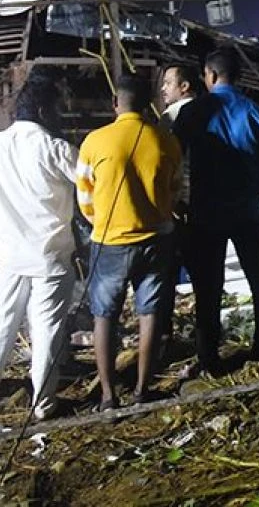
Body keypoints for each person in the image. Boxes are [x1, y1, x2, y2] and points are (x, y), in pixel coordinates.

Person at [0, 81, 78, 421]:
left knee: (4, 319)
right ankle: (43, 404)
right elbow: (92, 182)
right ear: (42, 111)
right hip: (50, 255)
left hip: (9, 254)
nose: (59, 115)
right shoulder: (55, 148)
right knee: (46, 327)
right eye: (56, 108)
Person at [174, 47, 259, 380]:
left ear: (208, 75)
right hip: (248, 210)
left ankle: (209, 356)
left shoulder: (193, 112)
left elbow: (170, 156)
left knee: (208, 287)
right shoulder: (255, 112)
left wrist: (173, 200)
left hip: (206, 211)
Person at [77, 74, 181, 409]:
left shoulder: (94, 142)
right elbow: (176, 190)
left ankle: (108, 396)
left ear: (115, 104)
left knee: (104, 316)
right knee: (149, 313)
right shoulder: (165, 140)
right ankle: (141, 390)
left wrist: (103, 221)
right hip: (155, 239)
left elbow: (84, 198)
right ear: (148, 101)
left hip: (109, 241)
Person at [155, 64, 201, 346]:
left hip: (177, 206)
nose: (163, 89)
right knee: (204, 272)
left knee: (167, 272)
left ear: (184, 87)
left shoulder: (170, 117)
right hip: (206, 203)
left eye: (168, 83)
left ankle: (163, 333)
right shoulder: (211, 111)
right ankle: (206, 332)